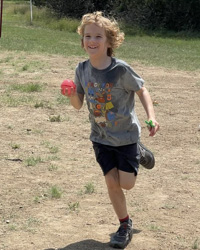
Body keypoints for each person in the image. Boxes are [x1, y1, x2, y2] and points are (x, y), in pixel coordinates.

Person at [62, 11, 160, 249]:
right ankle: (124, 224)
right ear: (82, 40)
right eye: (87, 36)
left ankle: (140, 151)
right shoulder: (82, 70)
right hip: (101, 137)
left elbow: (142, 90)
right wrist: (71, 93)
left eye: (98, 36)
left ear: (109, 41)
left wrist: (151, 117)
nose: (92, 40)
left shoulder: (120, 69)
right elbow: (77, 106)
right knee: (112, 183)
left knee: (127, 183)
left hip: (126, 136)